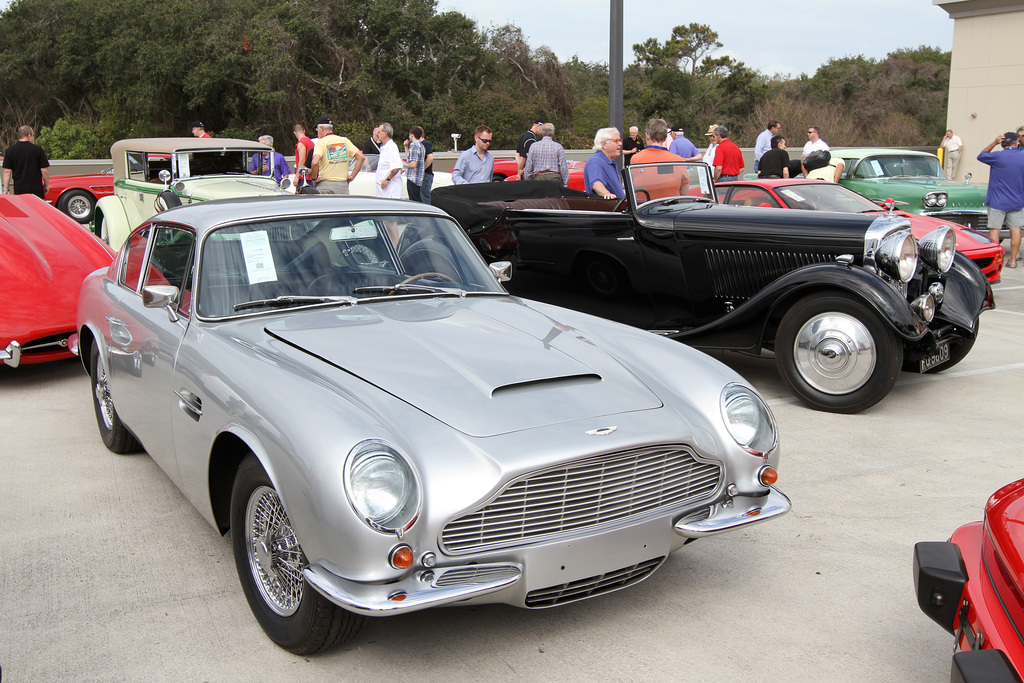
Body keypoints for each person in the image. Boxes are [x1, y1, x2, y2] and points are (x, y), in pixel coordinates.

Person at [978, 132, 1024, 266]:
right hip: (1016, 201)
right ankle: (1013, 260)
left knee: (995, 230)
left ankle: (996, 260)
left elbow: (981, 156)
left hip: (997, 200)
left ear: (1003, 143)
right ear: (1016, 143)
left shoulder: (997, 156)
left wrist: (994, 143)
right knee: (1016, 230)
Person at [309, 116, 365, 195]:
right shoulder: (344, 140)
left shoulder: (321, 142)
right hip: (342, 185)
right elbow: (361, 157)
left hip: (326, 184)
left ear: (321, 129)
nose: (317, 132)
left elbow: (315, 162)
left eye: (317, 130)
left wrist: (314, 178)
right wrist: (352, 176)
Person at [3, 125, 49, 198]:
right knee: (36, 209)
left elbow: (7, 172)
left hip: (19, 189)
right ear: (29, 135)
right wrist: (46, 185)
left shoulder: (10, 151)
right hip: (36, 189)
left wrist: (6, 189)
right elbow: (44, 170)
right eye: (33, 135)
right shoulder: (38, 150)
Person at [583, 127, 624, 199]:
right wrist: (607, 194)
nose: (620, 144)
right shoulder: (595, 161)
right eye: (616, 141)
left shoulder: (611, 162)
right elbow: (596, 183)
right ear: (604, 144)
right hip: (607, 209)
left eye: (620, 140)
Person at [375, 123, 403, 198]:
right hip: (384, 193)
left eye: (379, 132)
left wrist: (387, 179)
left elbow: (396, 167)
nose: (377, 134)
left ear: (385, 133)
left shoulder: (391, 147)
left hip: (391, 192)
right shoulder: (384, 147)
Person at [403, 126, 427, 202]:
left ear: (412, 135)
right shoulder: (421, 146)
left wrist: (403, 164)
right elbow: (410, 158)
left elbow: (413, 164)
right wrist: (406, 147)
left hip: (413, 178)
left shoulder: (414, 146)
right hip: (418, 179)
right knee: (417, 199)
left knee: (414, 201)